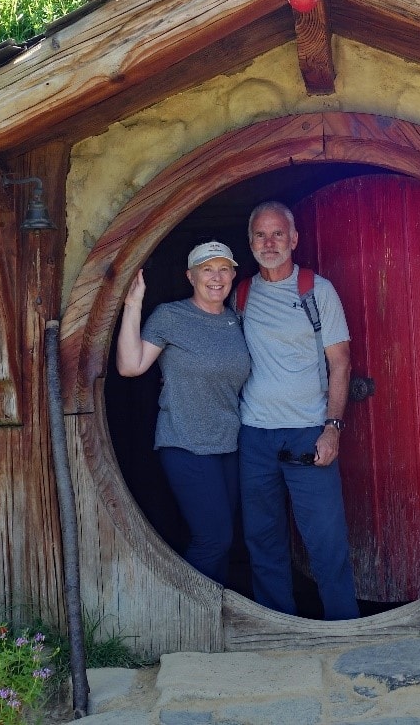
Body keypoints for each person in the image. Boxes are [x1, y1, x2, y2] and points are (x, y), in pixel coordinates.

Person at [236, 201, 359, 620]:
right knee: (263, 538)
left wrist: (332, 428)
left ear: (294, 239)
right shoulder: (240, 293)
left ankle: (344, 628)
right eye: (260, 234)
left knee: (325, 538)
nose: (269, 243)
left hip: (308, 431)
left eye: (277, 234)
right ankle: (278, 630)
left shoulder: (316, 291)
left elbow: (340, 363)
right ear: (250, 241)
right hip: (254, 434)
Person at [115, 241, 250, 586]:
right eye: (207, 269)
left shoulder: (237, 320)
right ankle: (192, 617)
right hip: (185, 443)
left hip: (229, 446)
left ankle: (214, 619)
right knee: (213, 539)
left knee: (223, 539)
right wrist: (132, 304)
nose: (216, 277)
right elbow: (130, 366)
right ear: (191, 276)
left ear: (234, 274)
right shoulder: (171, 317)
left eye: (223, 269)